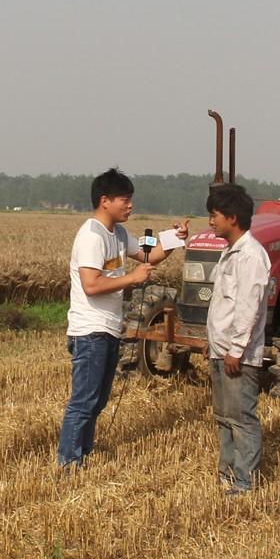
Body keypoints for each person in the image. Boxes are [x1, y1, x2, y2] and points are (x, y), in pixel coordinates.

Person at [58, 168, 187, 467]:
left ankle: (83, 455)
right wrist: (131, 279)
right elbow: (91, 285)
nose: (130, 205)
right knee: (84, 402)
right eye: (124, 200)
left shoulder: (117, 233)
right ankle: (69, 462)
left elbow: (147, 252)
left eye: (131, 200)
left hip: (108, 328)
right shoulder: (92, 236)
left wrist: (174, 238)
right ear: (105, 200)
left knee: (98, 401)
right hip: (90, 330)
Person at [204, 183, 272, 495]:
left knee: (242, 418)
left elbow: (249, 307)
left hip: (238, 355)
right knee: (223, 416)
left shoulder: (252, 257)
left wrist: (235, 349)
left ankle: (244, 482)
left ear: (232, 218)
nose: (211, 221)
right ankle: (227, 474)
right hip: (220, 350)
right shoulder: (229, 253)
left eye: (214, 215)